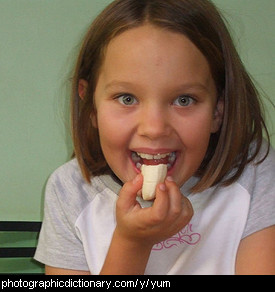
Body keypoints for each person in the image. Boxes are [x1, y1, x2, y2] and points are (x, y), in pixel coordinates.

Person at [34, 0, 275, 275]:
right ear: (91, 105)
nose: (154, 128)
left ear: (218, 111)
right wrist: (133, 244)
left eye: (184, 100)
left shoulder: (254, 173)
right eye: (127, 98)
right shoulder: (69, 191)